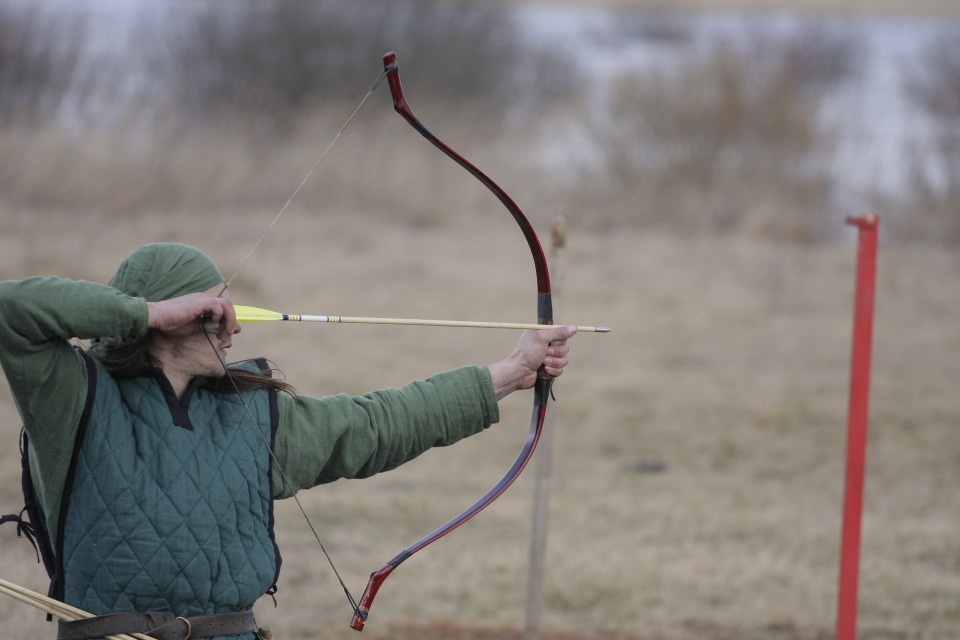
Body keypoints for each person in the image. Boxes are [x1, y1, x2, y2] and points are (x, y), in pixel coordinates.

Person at [0, 242, 575, 640]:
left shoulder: (255, 416)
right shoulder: (73, 399)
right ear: (168, 318)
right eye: (213, 309)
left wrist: (512, 372)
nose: (233, 327)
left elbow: (377, 424)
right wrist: (144, 311)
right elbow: (11, 310)